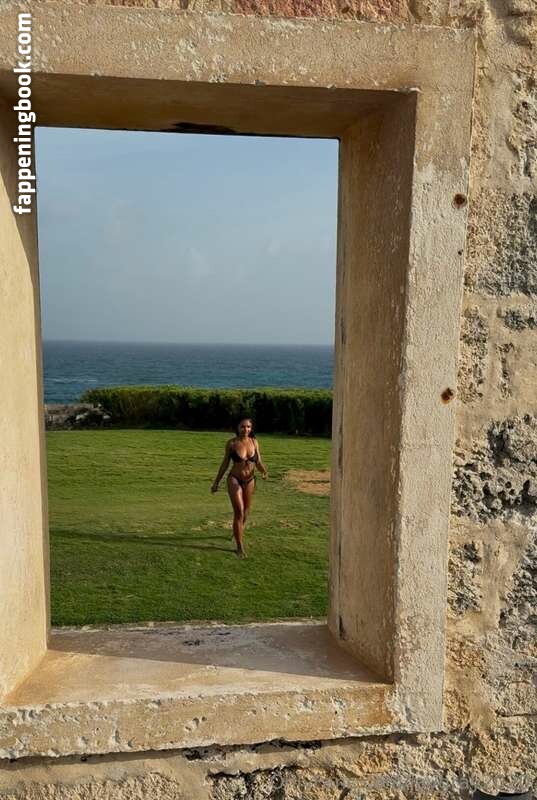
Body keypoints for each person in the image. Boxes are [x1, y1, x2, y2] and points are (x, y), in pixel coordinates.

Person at [211, 417, 268, 558]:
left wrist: (263, 471)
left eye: (248, 426)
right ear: (237, 427)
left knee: (246, 511)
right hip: (234, 479)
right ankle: (239, 547)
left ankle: (237, 531)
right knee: (239, 512)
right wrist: (216, 482)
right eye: (242, 426)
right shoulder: (231, 444)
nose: (246, 429)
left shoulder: (254, 442)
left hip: (250, 480)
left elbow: (258, 461)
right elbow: (225, 464)